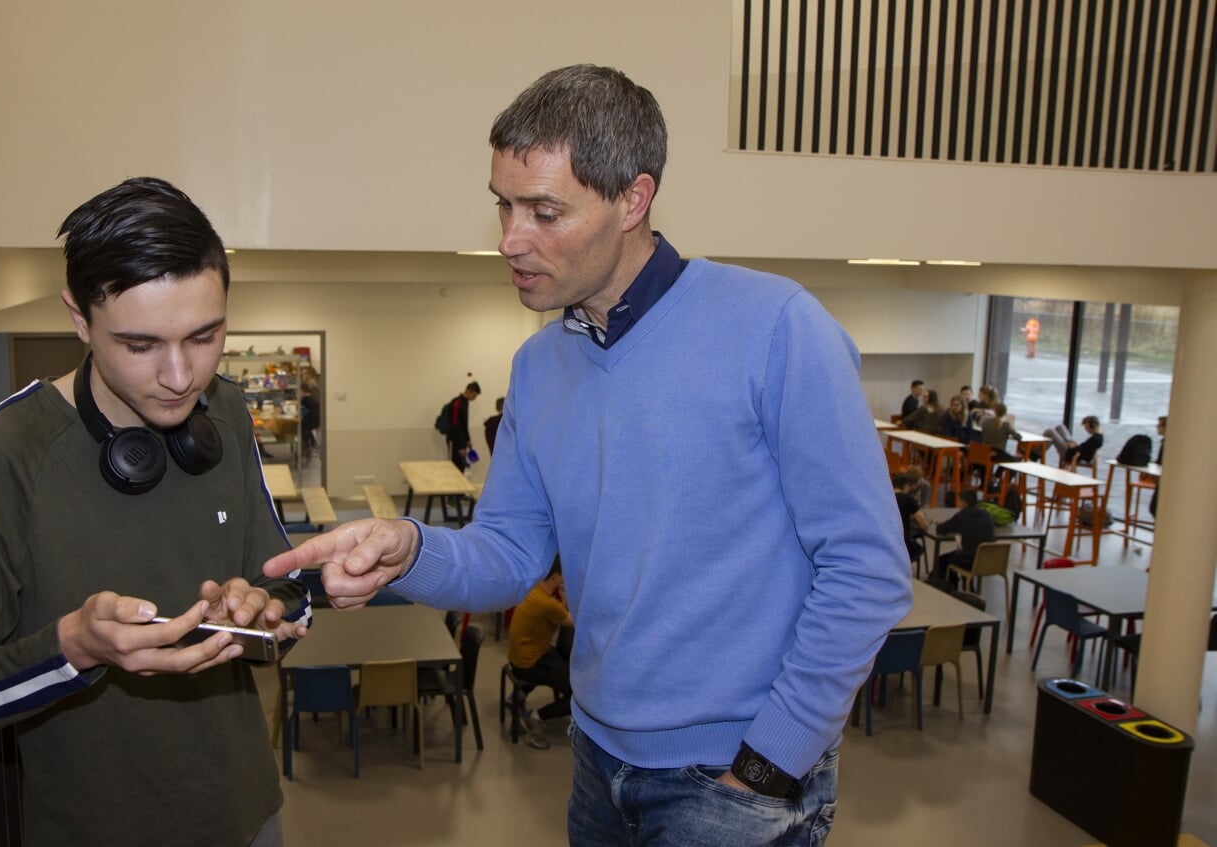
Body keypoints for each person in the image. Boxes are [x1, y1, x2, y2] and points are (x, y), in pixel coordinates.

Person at [263, 64, 911, 846]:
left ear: (632, 199)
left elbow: (866, 569)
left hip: (735, 778)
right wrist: (408, 548)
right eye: (504, 205)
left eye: (544, 210)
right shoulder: (541, 365)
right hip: (597, 761)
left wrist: (768, 764)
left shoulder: (775, 328)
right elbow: (509, 553)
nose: (509, 238)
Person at [0, 177, 312, 847]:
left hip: (247, 815)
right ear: (77, 318)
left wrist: (262, 610)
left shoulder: (229, 413)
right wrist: (72, 647)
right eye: (140, 344)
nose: (181, 377)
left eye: (205, 336)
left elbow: (289, 591)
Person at [507, 556, 574, 750]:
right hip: (530, 663)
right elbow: (571, 621)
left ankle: (517, 697)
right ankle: (537, 716)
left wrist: (560, 596)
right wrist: (565, 594)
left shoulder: (535, 590)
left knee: (559, 661)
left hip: (517, 657)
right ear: (555, 576)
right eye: (564, 577)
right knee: (579, 692)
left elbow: (558, 612)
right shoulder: (547, 604)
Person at [932, 488, 996, 586]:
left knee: (943, 560)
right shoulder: (987, 515)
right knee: (962, 553)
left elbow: (941, 529)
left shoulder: (961, 517)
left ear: (964, 502)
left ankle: (949, 586)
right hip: (987, 561)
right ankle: (968, 584)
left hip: (968, 561)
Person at [440, 380, 481, 471]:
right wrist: (460, 446)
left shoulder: (465, 403)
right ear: (468, 390)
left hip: (461, 441)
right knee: (455, 468)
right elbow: (455, 426)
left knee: (461, 467)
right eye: (474, 395)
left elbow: (463, 425)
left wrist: (468, 440)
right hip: (455, 441)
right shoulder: (457, 403)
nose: (474, 398)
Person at [893, 468, 930, 566]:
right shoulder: (908, 499)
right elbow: (923, 524)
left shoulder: (885, 496)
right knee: (919, 548)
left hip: (887, 540)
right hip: (903, 543)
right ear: (906, 485)